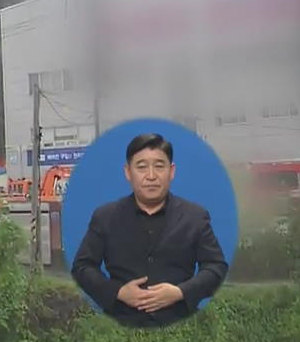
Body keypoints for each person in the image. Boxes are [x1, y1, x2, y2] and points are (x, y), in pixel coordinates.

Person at [71, 133, 229, 328]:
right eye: (142, 167)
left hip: (182, 324)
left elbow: (216, 267)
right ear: (128, 172)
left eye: (159, 166)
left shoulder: (194, 216)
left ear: (171, 171)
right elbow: (82, 267)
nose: (151, 176)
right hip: (119, 324)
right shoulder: (105, 216)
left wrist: (180, 293)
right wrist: (118, 292)